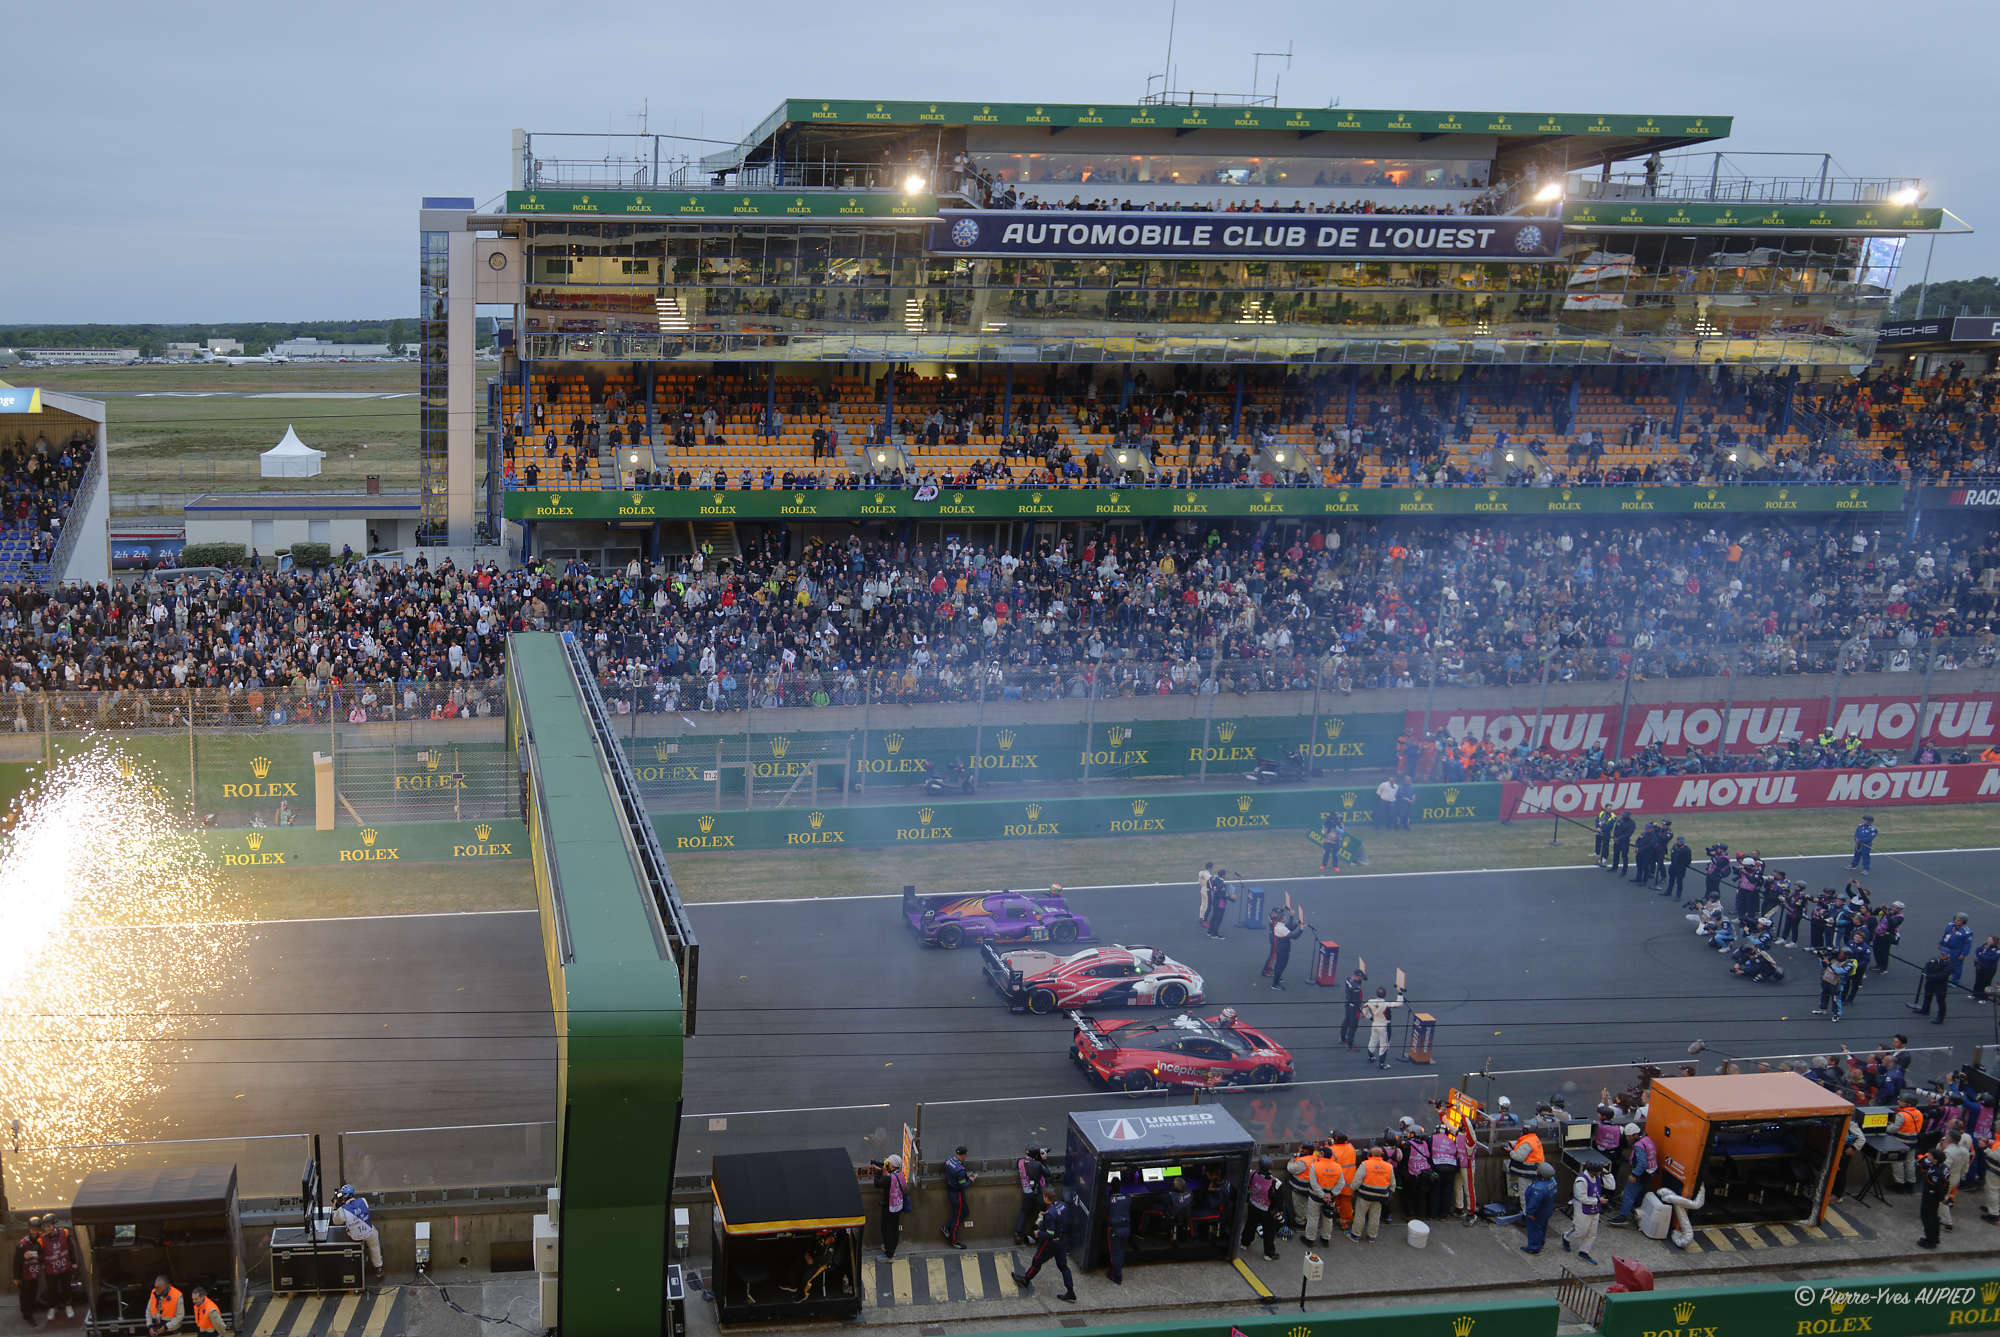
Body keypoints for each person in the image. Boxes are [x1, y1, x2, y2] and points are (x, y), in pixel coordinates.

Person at [1011, 1185, 1076, 1302]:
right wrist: (1047, 1215)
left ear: (1046, 1198)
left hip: (1051, 1244)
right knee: (1063, 1266)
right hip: (1062, 1241)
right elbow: (1059, 1217)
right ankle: (1070, 1290)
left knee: (1037, 1260)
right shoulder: (1062, 1205)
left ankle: (1025, 1280)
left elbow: (1050, 1234)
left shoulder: (1050, 1214)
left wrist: (1038, 1233)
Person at [1561, 1164, 1609, 1264]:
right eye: (1599, 1171)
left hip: (1595, 1208)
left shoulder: (1597, 1177)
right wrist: (1598, 1200)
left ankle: (1584, 1251)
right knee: (1580, 1231)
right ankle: (1566, 1237)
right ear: (1593, 1171)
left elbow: (1611, 1186)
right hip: (1582, 1209)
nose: (1600, 1173)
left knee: (1592, 1233)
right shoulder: (1581, 1181)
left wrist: (1608, 1174)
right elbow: (1582, 1198)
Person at [1608, 1123, 1655, 1224]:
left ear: (1635, 1135)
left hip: (1641, 1174)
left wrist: (1634, 1174)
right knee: (1638, 1195)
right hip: (1650, 1173)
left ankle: (1623, 1216)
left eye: (1629, 1137)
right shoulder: (1647, 1139)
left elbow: (1643, 1163)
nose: (1628, 1139)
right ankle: (1634, 1214)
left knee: (1628, 1194)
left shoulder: (1639, 1146)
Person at [331, 1185, 383, 1271]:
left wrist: (336, 1205)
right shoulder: (363, 1200)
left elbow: (335, 1221)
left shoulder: (342, 1210)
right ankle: (379, 1267)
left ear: (343, 1197)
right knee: (375, 1246)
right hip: (369, 1233)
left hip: (355, 1237)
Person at [1349, 1146, 1396, 1242]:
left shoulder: (1365, 1164)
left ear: (1370, 1154)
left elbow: (1357, 1180)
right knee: (1375, 1216)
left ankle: (1355, 1235)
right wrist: (1390, 1192)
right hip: (1381, 1196)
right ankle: (1372, 1236)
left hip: (1365, 1195)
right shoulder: (1389, 1166)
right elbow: (1393, 1184)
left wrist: (1352, 1189)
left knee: (1360, 1215)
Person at [37, 1216, 75, 1320]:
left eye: (49, 1226)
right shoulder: (41, 1239)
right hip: (50, 1270)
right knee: (51, 1289)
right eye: (45, 1227)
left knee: (66, 1287)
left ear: (54, 1225)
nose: (46, 1228)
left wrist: (74, 1262)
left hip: (65, 1267)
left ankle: (68, 1306)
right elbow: (39, 1254)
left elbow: (71, 1248)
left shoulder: (64, 1233)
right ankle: (52, 1308)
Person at [1360, 985, 1405, 1070]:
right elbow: (1399, 1004)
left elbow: (1363, 1009)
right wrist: (1400, 993)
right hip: (1384, 1026)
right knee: (1384, 1045)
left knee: (1373, 1041)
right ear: (1385, 995)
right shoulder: (1386, 1004)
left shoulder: (1370, 1002)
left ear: (1377, 994)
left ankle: (1371, 1057)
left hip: (1375, 1024)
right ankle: (1381, 1064)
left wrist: (1370, 1017)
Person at [1014, 1145, 1049, 1245]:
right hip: (1038, 1194)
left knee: (1024, 1212)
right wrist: (1043, 1160)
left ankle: (1017, 1233)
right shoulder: (1038, 1164)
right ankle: (1034, 1233)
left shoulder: (1020, 1161)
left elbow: (1027, 1162)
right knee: (1041, 1213)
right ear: (1036, 1156)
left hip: (1027, 1192)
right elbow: (1047, 1173)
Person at [1520, 1163, 1558, 1253]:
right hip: (1547, 1209)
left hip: (1537, 1213)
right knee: (1542, 1227)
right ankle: (1541, 1242)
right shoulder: (1553, 1181)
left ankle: (1533, 1247)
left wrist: (1530, 1213)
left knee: (1534, 1229)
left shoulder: (1538, 1189)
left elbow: (1534, 1203)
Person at [12, 1217, 43, 1327]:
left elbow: (45, 1254)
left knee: (34, 1291)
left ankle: (31, 1308)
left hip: (35, 1272)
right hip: (24, 1274)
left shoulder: (42, 1240)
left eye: (37, 1229)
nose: (34, 1231)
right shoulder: (22, 1243)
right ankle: (27, 1314)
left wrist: (36, 1255)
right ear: (29, 1229)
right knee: (25, 1294)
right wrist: (16, 1277)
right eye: (32, 1228)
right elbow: (16, 1261)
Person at [941, 1146, 973, 1248]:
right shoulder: (960, 1171)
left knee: (965, 1212)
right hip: (957, 1194)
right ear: (963, 1155)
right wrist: (971, 1180)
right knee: (957, 1218)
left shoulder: (949, 1160)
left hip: (951, 1190)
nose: (966, 1157)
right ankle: (953, 1240)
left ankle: (946, 1227)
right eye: (966, 1155)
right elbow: (963, 1185)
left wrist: (964, 1176)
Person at [877, 1154, 909, 1259]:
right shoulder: (901, 1175)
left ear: (892, 1166)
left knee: (886, 1229)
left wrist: (879, 1172)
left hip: (889, 1207)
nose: (888, 1165)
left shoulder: (889, 1178)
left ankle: (889, 1254)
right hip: (898, 1205)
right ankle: (892, 1247)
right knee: (894, 1228)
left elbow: (877, 1183)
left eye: (889, 1163)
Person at [1910, 949, 1953, 1025]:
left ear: (1948, 955)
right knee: (1927, 996)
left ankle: (1940, 1017)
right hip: (1930, 982)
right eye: (1941, 954)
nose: (1942, 956)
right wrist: (1924, 972)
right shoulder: (1934, 960)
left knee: (1940, 1001)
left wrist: (1929, 976)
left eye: (1944, 955)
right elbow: (1926, 966)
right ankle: (1925, 1010)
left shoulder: (1949, 964)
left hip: (1940, 984)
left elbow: (1943, 975)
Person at [1918, 1146, 1949, 1249]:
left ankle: (1930, 1240)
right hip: (1933, 1195)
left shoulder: (1936, 1172)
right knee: (1933, 1217)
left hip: (1931, 1196)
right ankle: (1934, 1238)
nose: (1928, 1156)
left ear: (1935, 1159)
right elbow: (1921, 1163)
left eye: (1930, 1155)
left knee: (1928, 1218)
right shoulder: (1943, 1167)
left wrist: (1941, 1198)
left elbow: (1939, 1187)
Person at [1103, 1177, 1132, 1283]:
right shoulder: (1128, 1198)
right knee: (1121, 1251)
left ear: (1111, 1187)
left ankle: (1117, 1275)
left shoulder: (1109, 1200)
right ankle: (1117, 1269)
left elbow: (1105, 1207)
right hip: (1126, 1228)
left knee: (1115, 1253)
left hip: (1115, 1230)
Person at [1814, 950, 1856, 1021]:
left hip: (1837, 983)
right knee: (1824, 994)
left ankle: (1837, 1014)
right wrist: (1822, 957)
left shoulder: (1849, 964)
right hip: (1827, 980)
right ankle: (1823, 1009)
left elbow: (1839, 971)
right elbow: (1824, 965)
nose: (1839, 954)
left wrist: (1829, 963)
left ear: (1846, 955)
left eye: (1842, 953)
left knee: (1836, 998)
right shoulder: (1833, 958)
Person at [1267, 903, 1298, 991]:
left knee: (1278, 962)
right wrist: (1291, 916)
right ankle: (1271, 977)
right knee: (1277, 960)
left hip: (1277, 940)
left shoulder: (1277, 922)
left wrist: (1284, 909)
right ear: (1273, 913)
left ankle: (1276, 978)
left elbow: (1288, 927)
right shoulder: (1276, 923)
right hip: (1276, 941)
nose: (1285, 918)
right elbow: (1292, 932)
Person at [1942, 915, 1975, 986]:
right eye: (1955, 919)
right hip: (1946, 948)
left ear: (1963, 921)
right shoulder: (1950, 926)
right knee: (1943, 963)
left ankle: (1954, 981)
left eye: (1958, 920)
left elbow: (1967, 945)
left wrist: (1963, 954)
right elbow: (1945, 935)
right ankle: (1943, 977)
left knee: (1956, 966)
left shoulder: (1967, 932)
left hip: (1957, 951)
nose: (1955, 921)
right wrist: (1941, 943)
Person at [1339, 967, 1367, 1049]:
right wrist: (1361, 1011)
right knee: (1353, 1025)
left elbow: (1361, 980)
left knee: (1346, 1021)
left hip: (1348, 1004)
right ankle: (1350, 1044)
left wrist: (1363, 977)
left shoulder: (1348, 980)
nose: (1361, 979)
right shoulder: (1356, 988)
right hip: (1354, 1007)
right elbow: (1357, 1001)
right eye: (1360, 977)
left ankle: (1342, 1038)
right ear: (1357, 976)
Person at [1203, 870, 1232, 940]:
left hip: (1216, 901)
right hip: (1221, 902)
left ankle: (1209, 931)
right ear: (1223, 875)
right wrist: (1229, 897)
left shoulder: (1215, 879)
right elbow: (1221, 894)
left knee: (1214, 917)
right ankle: (1214, 934)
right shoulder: (1221, 883)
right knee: (1218, 918)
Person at [1975, 936, 2000, 1002]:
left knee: (1986, 983)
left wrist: (1981, 955)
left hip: (1989, 969)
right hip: (1980, 966)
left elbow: (1991, 958)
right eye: (1988, 939)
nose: (1988, 940)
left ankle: (1984, 998)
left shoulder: (1998, 950)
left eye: (1990, 940)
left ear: (1994, 942)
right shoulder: (1985, 945)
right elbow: (1977, 950)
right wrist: (1983, 951)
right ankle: (1975, 994)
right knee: (1978, 981)